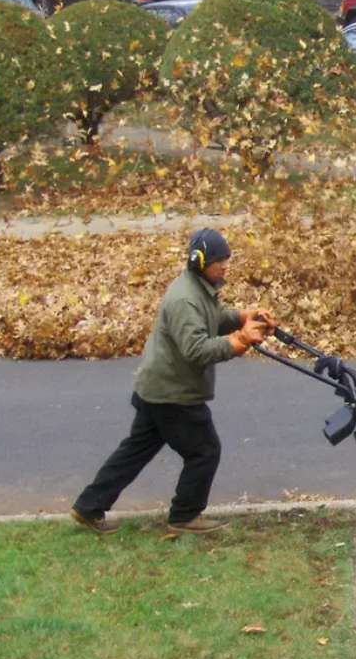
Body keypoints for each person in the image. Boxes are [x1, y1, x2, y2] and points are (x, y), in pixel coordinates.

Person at [70, 228, 275, 536]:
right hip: (172, 394)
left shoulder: (198, 288)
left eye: (226, 260)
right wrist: (238, 342)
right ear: (200, 261)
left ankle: (88, 507)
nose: (225, 266)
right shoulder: (183, 299)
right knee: (205, 450)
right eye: (220, 261)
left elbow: (213, 316)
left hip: (158, 388)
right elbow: (195, 350)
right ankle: (184, 516)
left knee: (134, 452)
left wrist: (243, 317)